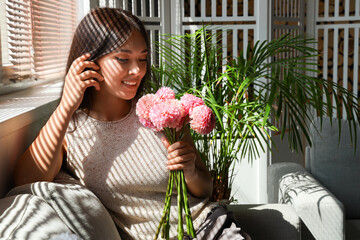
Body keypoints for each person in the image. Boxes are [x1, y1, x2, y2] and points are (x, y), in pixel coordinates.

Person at [12, 7, 248, 240]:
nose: (137, 71)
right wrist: (66, 106)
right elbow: (24, 182)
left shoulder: (161, 112)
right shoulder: (71, 130)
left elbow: (205, 190)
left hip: (210, 227)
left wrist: (190, 172)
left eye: (142, 59)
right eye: (123, 59)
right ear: (89, 62)